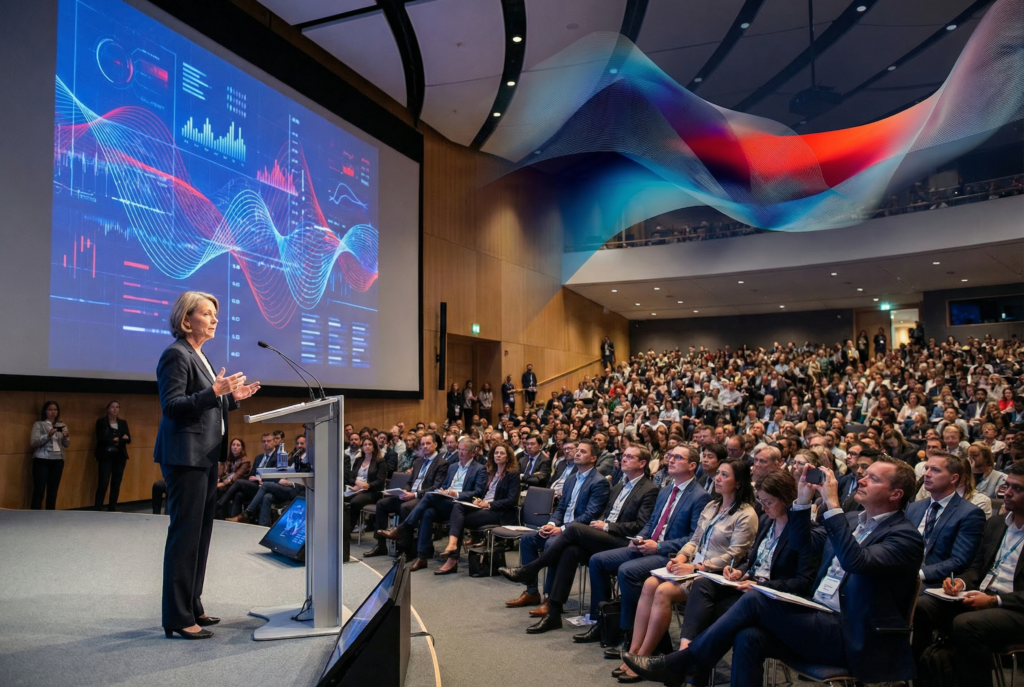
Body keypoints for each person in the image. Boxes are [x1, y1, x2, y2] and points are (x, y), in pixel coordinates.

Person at [623, 456, 924, 686]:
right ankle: (687, 664)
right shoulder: (855, 521)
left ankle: (684, 663)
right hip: (818, 615)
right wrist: (803, 500)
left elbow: (855, 562)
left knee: (754, 600)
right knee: (749, 635)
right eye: (864, 474)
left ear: (896, 494)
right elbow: (801, 545)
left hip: (853, 633)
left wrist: (831, 503)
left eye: (873, 478)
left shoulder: (905, 536)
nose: (861, 479)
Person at [154, 291, 259, 640]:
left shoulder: (200, 355)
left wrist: (231, 398)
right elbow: (172, 406)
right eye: (207, 313)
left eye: (216, 313)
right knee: (185, 537)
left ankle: (193, 605)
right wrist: (214, 393)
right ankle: (177, 617)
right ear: (187, 320)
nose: (215, 319)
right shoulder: (176, 355)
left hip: (205, 457)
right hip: (185, 457)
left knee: (200, 536)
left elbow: (207, 401)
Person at [616, 459, 757, 682]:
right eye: (717, 473)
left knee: (662, 591)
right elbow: (695, 540)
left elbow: (734, 556)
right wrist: (681, 556)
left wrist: (695, 566)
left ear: (738, 483)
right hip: (693, 567)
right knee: (650, 583)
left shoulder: (746, 514)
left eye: (724, 475)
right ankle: (634, 652)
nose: (717, 478)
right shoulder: (712, 505)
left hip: (715, 575)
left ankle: (645, 657)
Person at [498, 445, 658, 634]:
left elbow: (641, 525)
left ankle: (531, 568)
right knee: (569, 551)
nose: (623, 459)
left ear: (642, 463)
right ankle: (554, 614)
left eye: (630, 457)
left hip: (623, 541)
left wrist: (607, 526)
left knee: (573, 529)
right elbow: (593, 512)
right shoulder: (619, 486)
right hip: (604, 536)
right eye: (624, 456)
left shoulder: (649, 489)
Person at [590, 444, 711, 659]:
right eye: (670, 456)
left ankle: (629, 634)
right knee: (597, 560)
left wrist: (659, 546)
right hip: (648, 547)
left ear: (692, 466)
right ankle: (602, 623)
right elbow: (652, 523)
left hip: (669, 555)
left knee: (627, 571)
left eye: (678, 457)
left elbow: (694, 538)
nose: (671, 460)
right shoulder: (666, 490)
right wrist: (640, 539)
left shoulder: (699, 496)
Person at [913, 462, 1024, 684]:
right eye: (1007, 485)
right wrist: (960, 584)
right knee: (923, 606)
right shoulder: (998, 523)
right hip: (979, 595)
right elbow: (976, 567)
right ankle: (922, 679)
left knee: (966, 624)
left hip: (1014, 607)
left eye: (1017, 488)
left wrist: (995, 600)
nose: (1007, 492)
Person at [505, 439, 611, 610]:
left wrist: (561, 529)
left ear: (593, 458)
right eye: (578, 451)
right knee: (527, 539)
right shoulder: (570, 479)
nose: (577, 453)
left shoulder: (599, 482)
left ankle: (550, 599)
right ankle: (532, 592)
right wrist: (551, 523)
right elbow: (561, 508)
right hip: (559, 528)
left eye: (583, 452)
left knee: (552, 544)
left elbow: (591, 515)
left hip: (579, 533)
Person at [379, 437, 487, 570]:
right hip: (447, 501)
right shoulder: (453, 467)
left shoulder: (479, 468)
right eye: (459, 449)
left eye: (464, 450)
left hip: (462, 504)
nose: (461, 453)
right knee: (427, 512)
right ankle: (422, 557)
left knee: (429, 496)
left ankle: (403, 527)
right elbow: (445, 485)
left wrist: (456, 494)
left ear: (473, 452)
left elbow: (478, 492)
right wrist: (443, 491)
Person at [434, 442, 521, 574]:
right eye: (496, 453)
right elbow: (483, 493)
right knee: (458, 506)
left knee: (458, 519)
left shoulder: (512, 474)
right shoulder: (491, 472)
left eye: (502, 453)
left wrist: (489, 504)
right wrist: (478, 501)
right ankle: (452, 549)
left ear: (508, 457)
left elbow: (511, 500)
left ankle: (452, 558)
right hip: (483, 507)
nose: (498, 455)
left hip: (498, 512)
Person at [905, 452, 985, 589]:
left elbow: (959, 561)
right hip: (902, 572)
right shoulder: (913, 508)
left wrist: (918, 573)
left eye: (935, 470)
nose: (927, 474)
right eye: (927, 468)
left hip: (934, 581)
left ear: (954, 478)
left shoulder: (970, 514)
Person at [364, 433, 448, 558]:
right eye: (423, 444)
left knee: (405, 507)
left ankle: (405, 549)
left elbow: (435, 487)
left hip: (424, 498)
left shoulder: (442, 463)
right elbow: (409, 482)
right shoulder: (418, 461)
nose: (425, 446)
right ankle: (381, 545)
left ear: (435, 445)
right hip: (410, 495)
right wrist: (404, 491)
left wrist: (413, 494)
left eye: (428, 443)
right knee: (381, 504)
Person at [343, 436, 388, 535]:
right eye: (365, 445)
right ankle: (341, 528)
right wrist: (357, 483)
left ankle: (347, 532)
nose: (367, 447)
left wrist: (366, 486)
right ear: (362, 447)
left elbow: (380, 481)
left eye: (370, 444)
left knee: (354, 502)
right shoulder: (359, 460)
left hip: (373, 492)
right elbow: (350, 477)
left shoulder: (380, 461)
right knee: (341, 499)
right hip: (356, 489)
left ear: (374, 447)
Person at [30, 401, 69, 510]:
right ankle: (34, 517)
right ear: (45, 411)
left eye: (55, 410)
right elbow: (33, 443)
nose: (53, 412)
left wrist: (65, 437)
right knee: (39, 491)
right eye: (50, 409)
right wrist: (48, 435)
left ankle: (50, 517)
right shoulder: (39, 424)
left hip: (58, 460)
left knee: (53, 492)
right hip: (42, 460)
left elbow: (67, 444)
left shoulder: (62, 425)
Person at [93, 400, 131, 511]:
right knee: (103, 484)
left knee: (116, 484)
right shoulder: (101, 422)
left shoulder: (123, 423)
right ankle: (97, 508)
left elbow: (128, 439)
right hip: (105, 456)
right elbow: (101, 438)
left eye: (117, 407)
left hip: (119, 456)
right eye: (112, 407)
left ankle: (112, 508)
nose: (115, 409)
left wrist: (116, 439)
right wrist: (117, 439)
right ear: (108, 409)